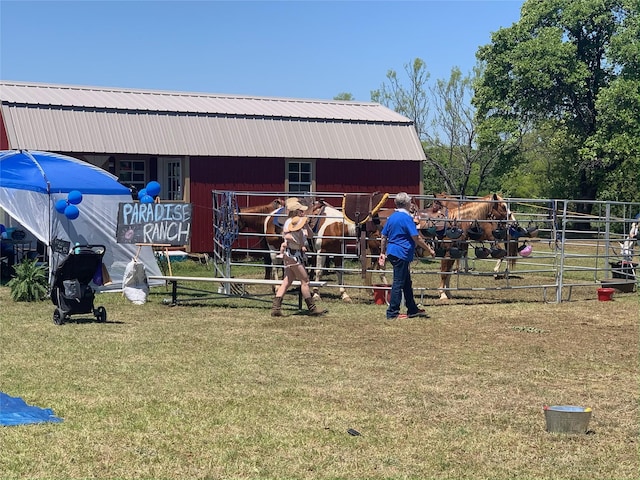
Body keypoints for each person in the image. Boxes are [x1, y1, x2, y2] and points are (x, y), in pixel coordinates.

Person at [378, 192, 433, 320]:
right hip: (401, 253)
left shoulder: (391, 217)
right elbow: (416, 237)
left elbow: (383, 236)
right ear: (407, 203)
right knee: (398, 282)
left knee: (406, 282)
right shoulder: (406, 218)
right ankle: (392, 312)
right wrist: (429, 249)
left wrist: (382, 252)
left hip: (392, 252)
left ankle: (412, 309)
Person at [271, 198, 327, 317]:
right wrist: (299, 243)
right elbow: (288, 235)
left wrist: (305, 225)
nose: (303, 212)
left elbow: (311, 235)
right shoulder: (290, 223)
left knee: (287, 281)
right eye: (301, 211)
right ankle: (312, 308)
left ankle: (276, 308)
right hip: (293, 255)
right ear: (296, 211)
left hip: (291, 255)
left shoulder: (296, 222)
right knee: (305, 280)